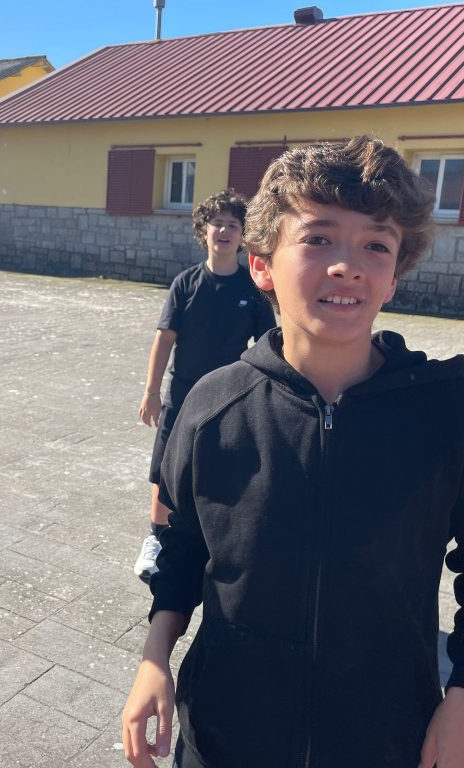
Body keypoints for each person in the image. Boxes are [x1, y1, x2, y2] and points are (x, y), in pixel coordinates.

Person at [121, 137, 464, 768]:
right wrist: (154, 655)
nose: (347, 265)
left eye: (376, 245)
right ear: (261, 266)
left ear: (393, 277)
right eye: (319, 238)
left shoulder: (446, 410)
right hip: (223, 738)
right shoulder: (212, 406)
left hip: (388, 742)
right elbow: (184, 542)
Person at [134, 190, 276, 583]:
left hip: (230, 399)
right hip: (181, 395)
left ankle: (218, 540)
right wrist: (151, 392)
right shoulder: (186, 283)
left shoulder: (253, 289)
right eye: (217, 223)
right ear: (204, 230)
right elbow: (164, 339)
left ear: (243, 235)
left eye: (233, 224)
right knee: (164, 469)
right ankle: (157, 539)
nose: (224, 231)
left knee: (223, 468)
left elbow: (268, 345)